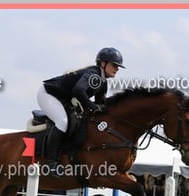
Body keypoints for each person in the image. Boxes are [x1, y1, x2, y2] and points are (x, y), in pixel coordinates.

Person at [37, 47, 125, 177]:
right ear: (103, 63)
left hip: (62, 99)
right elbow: (78, 90)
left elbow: (101, 104)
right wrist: (92, 106)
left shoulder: (102, 82)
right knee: (62, 122)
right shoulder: (94, 74)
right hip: (48, 94)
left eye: (118, 66)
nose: (117, 69)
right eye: (114, 65)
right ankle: (51, 163)